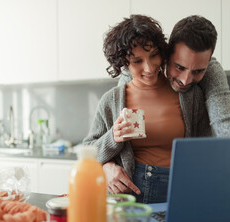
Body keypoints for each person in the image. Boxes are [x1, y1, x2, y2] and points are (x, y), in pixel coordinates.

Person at [83, 15, 218, 203]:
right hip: (130, 198)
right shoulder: (111, 100)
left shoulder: (190, 96)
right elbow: (86, 153)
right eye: (137, 61)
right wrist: (113, 138)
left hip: (182, 192)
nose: (149, 67)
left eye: (154, 55)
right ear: (124, 64)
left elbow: (204, 148)